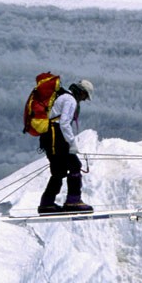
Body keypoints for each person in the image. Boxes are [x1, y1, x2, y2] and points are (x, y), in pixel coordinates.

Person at [38, 79, 95, 214]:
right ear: (81, 92)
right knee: (75, 166)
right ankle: (73, 201)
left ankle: (47, 203)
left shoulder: (63, 97)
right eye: (85, 96)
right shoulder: (70, 100)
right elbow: (64, 123)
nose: (84, 100)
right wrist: (72, 143)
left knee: (59, 171)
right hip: (57, 136)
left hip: (49, 137)